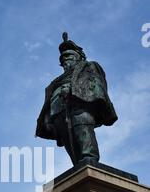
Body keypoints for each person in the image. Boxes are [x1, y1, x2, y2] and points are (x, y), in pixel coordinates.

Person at [36, 33, 118, 165]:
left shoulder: (89, 66)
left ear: (78, 57)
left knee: (82, 130)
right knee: (69, 140)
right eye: (62, 59)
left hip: (80, 105)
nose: (65, 60)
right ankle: (78, 165)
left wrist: (73, 91)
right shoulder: (56, 81)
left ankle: (90, 158)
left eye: (68, 56)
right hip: (58, 112)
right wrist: (47, 118)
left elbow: (96, 82)